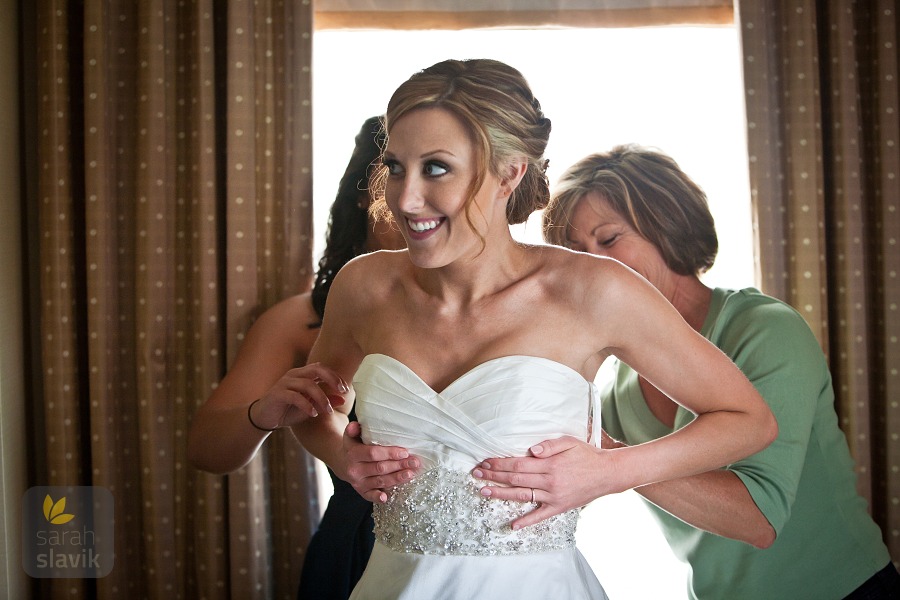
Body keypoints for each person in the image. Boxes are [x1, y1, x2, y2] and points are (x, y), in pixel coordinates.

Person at [290, 59, 777, 599]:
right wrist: (343, 456)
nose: (405, 200)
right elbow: (316, 407)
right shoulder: (363, 288)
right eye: (397, 167)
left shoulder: (593, 291)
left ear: (509, 173)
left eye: (436, 169)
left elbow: (748, 420)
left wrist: (614, 470)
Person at [476, 144, 899, 599]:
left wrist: (610, 461)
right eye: (576, 251)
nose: (592, 265)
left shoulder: (765, 330)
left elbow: (757, 521)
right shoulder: (617, 385)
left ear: (667, 229)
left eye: (609, 239)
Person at [186, 116, 404, 599]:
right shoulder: (299, 322)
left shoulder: (490, 314)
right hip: (357, 552)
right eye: (398, 174)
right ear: (363, 193)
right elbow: (204, 449)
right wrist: (260, 415)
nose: (416, 200)